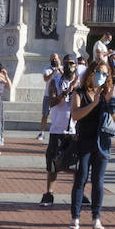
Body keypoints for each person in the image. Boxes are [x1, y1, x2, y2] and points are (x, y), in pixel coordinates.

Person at [68, 60, 115, 229]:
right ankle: (75, 218)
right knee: (80, 179)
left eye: (105, 74)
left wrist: (112, 103)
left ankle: (96, 218)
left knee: (99, 182)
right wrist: (94, 103)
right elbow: (75, 115)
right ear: (91, 72)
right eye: (99, 72)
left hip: (102, 143)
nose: (101, 76)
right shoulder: (79, 93)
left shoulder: (107, 93)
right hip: (84, 140)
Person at [41, 57, 77, 208]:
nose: (69, 66)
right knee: (53, 163)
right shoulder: (55, 82)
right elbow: (52, 102)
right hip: (57, 129)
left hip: (74, 130)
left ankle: (78, 193)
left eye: (72, 63)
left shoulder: (81, 84)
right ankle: (49, 193)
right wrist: (67, 92)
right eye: (67, 63)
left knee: (77, 164)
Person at [36, 54, 62, 142]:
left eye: (56, 59)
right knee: (45, 114)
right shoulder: (47, 69)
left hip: (59, 95)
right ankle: (41, 132)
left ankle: (58, 131)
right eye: (52, 59)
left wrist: (59, 68)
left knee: (58, 114)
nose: (54, 61)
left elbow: (66, 77)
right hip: (48, 95)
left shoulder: (61, 69)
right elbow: (46, 79)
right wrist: (53, 72)